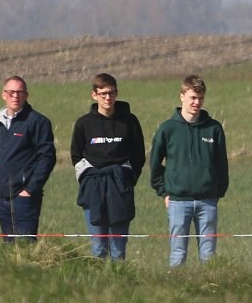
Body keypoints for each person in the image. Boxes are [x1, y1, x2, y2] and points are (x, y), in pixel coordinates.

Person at [150, 74, 228, 266]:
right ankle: (176, 293)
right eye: (193, 97)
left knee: (209, 256)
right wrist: (164, 191)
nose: (197, 102)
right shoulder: (167, 129)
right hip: (178, 202)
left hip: (207, 201)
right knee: (177, 255)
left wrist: (218, 192)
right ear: (182, 96)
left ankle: (210, 290)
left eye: (200, 98)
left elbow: (221, 164)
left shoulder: (214, 128)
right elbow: (154, 163)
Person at [70, 72, 145, 261]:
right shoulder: (84, 124)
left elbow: (138, 155)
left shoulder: (129, 121)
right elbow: (76, 155)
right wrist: (87, 178)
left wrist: (128, 177)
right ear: (94, 95)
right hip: (93, 189)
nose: (108, 98)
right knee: (97, 247)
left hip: (120, 187)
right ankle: (99, 287)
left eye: (111, 93)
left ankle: (119, 285)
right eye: (103, 93)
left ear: (117, 93)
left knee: (118, 248)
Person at [0, 76, 56, 243]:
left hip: (24, 197)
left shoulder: (37, 121)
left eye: (20, 92)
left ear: (26, 95)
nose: (15, 96)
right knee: (9, 248)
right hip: (3, 196)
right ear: (3, 95)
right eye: (11, 92)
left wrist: (29, 190)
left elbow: (47, 158)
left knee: (25, 247)